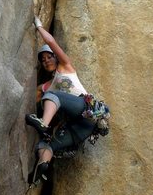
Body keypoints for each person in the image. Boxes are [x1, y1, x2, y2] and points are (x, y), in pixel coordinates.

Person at [26, 16, 105, 185]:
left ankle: (43, 123)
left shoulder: (65, 67)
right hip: (78, 131)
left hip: (85, 111)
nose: (46, 61)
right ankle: (41, 169)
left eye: (49, 57)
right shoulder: (46, 86)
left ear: (56, 57)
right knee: (45, 146)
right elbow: (33, 97)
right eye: (43, 59)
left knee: (53, 97)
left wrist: (39, 26)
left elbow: (51, 41)